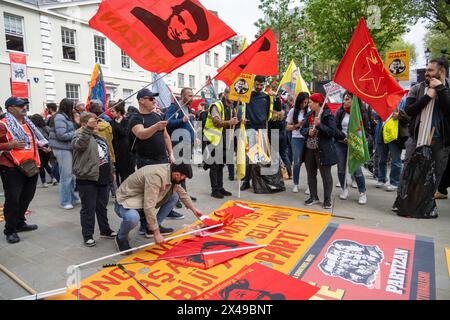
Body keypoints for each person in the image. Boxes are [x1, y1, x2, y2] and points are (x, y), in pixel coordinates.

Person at [393, 58, 450, 214]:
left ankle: (425, 205)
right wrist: (428, 97)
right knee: (408, 170)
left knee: (436, 172)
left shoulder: (447, 89)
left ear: (442, 71)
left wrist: (441, 89)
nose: (426, 73)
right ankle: (401, 201)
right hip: (416, 137)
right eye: (426, 70)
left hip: (441, 141)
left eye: (430, 70)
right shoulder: (417, 88)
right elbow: (409, 111)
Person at [114, 163, 204, 253]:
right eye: (184, 177)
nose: (184, 179)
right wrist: (156, 233)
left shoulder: (171, 172)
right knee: (132, 218)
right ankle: (121, 237)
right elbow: (149, 206)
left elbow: (182, 193)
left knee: (174, 196)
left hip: (141, 200)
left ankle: (150, 228)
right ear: (177, 174)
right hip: (126, 202)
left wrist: (194, 210)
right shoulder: (156, 176)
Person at [0, 97, 47, 243]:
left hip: (31, 167)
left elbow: (30, 143)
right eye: (20, 105)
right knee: (13, 200)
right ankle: (10, 230)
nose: (24, 107)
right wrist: (8, 145)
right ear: (10, 108)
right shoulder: (3, 124)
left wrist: (42, 146)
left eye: (25, 105)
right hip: (12, 168)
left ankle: (19, 222)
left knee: (27, 197)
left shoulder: (28, 123)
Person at [72, 113, 117, 247]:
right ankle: (88, 235)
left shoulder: (100, 138)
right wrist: (88, 129)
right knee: (88, 208)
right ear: (84, 124)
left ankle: (105, 230)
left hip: (102, 177)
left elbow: (107, 156)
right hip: (87, 178)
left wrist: (111, 172)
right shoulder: (78, 136)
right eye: (93, 122)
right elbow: (80, 145)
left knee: (102, 207)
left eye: (96, 123)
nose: (97, 125)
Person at [240, 76, 282, 192]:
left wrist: (276, 97)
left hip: (263, 128)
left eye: (261, 85)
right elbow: (237, 106)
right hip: (250, 128)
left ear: (264, 84)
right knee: (250, 157)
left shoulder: (267, 96)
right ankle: (246, 181)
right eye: (257, 84)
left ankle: (260, 182)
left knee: (261, 157)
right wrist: (241, 118)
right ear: (254, 83)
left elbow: (278, 108)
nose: (259, 87)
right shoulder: (247, 95)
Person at [131, 0, 209, 58]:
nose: (180, 31)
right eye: (181, 20)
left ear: (192, 39)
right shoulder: (142, 16)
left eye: (188, 33)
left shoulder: (176, 54)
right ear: (173, 13)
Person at [300, 93, 337, 209]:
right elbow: (302, 129)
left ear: (318, 103)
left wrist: (320, 125)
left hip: (323, 150)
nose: (309, 104)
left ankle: (327, 200)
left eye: (311, 102)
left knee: (326, 176)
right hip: (309, 150)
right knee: (311, 174)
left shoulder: (327, 115)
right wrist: (308, 132)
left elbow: (332, 132)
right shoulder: (309, 115)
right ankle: (313, 197)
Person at [334, 92, 369, 205]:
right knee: (340, 169)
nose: (344, 101)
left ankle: (362, 193)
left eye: (348, 99)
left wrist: (357, 140)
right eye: (344, 99)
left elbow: (367, 131)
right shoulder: (340, 112)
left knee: (357, 170)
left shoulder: (361, 113)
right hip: (340, 143)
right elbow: (335, 129)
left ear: (354, 101)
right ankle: (344, 189)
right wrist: (343, 137)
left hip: (355, 145)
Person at [203, 87, 238, 198]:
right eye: (232, 94)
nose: (234, 97)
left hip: (223, 140)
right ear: (225, 94)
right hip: (213, 139)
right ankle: (214, 190)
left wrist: (239, 121)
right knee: (214, 166)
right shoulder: (217, 105)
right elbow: (216, 122)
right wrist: (230, 122)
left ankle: (220, 187)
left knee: (221, 165)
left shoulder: (231, 107)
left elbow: (229, 124)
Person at [165, 87, 197, 206]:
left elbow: (189, 126)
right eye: (189, 95)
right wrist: (181, 120)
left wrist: (194, 137)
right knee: (176, 172)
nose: (191, 97)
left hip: (187, 143)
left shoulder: (188, 108)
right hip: (177, 143)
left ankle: (184, 195)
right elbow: (167, 123)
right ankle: (175, 197)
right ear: (182, 96)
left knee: (184, 172)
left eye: (192, 95)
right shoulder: (174, 107)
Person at [48, 98, 80, 210]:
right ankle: (65, 201)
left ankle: (72, 198)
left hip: (66, 148)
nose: (73, 109)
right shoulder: (60, 117)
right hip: (62, 149)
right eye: (72, 107)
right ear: (68, 107)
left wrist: (77, 124)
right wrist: (75, 132)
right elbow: (61, 135)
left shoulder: (63, 117)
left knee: (71, 176)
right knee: (66, 176)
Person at [88, 100, 117, 197]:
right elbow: (111, 138)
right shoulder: (108, 125)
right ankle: (115, 194)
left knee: (102, 176)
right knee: (111, 174)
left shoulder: (90, 128)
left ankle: (101, 194)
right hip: (109, 153)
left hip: (97, 156)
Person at [286, 92, 309, 193]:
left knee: (309, 162)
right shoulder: (292, 111)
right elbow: (287, 127)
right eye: (303, 102)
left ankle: (310, 185)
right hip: (296, 138)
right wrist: (297, 125)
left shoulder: (309, 110)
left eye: (306, 102)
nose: (304, 105)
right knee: (297, 162)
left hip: (308, 138)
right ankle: (296, 183)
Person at [111, 101, 135, 186]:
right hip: (116, 150)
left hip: (126, 150)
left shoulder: (127, 121)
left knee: (127, 173)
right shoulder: (111, 122)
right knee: (118, 173)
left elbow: (124, 133)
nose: (111, 113)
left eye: (113, 111)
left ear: (119, 112)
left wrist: (118, 124)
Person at [30, 114, 56, 188]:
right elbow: (52, 138)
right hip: (48, 148)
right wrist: (49, 148)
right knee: (46, 164)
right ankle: (53, 178)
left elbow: (35, 140)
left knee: (41, 166)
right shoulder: (47, 127)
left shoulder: (34, 129)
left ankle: (44, 182)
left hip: (40, 149)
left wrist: (42, 148)